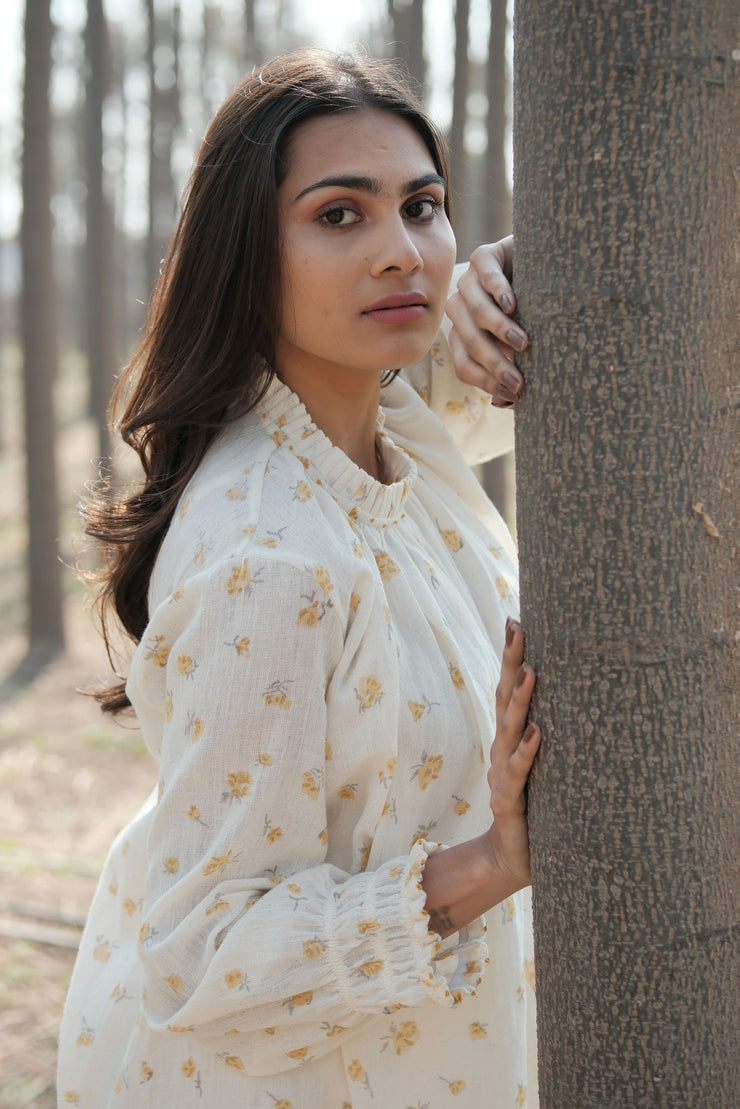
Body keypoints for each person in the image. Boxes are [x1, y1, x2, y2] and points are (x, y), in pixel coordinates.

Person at [58, 48, 540, 1108]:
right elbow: (204, 948)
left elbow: (482, 381)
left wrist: (504, 282)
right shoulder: (269, 560)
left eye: (422, 207)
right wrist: (486, 862)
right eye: (338, 216)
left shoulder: (382, 441)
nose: (401, 254)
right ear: (247, 252)